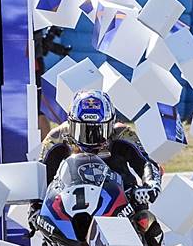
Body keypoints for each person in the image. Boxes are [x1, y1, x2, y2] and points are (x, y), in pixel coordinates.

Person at [35, 90, 162, 219]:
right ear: (70, 124)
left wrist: (151, 184)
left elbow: (145, 162)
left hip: (123, 202)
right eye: (82, 130)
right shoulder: (57, 138)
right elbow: (41, 174)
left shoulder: (122, 133)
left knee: (145, 220)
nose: (91, 137)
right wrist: (35, 207)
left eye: (99, 130)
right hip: (72, 203)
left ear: (111, 124)